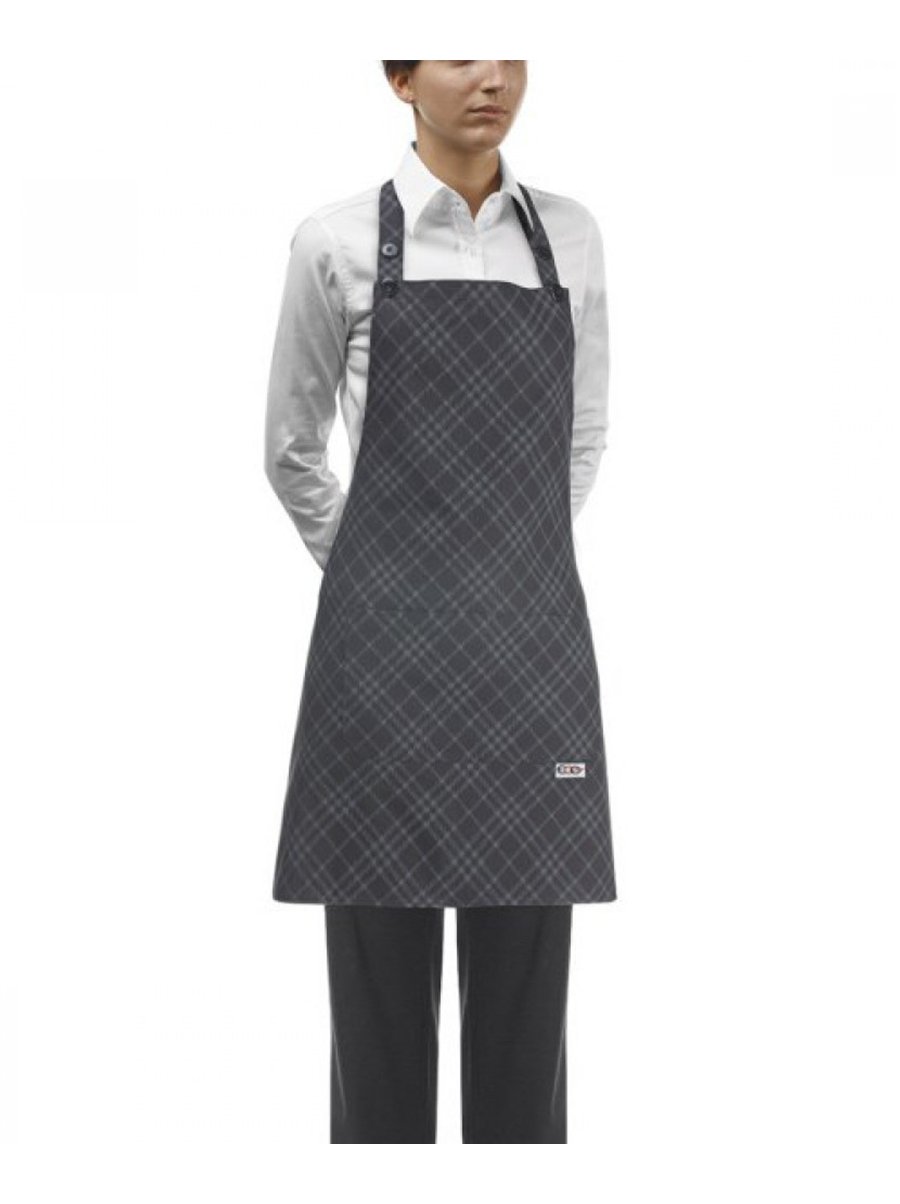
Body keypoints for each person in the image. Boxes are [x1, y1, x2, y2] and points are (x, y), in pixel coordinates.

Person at [264, 60, 617, 1144]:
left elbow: (581, 436)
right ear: (400, 77)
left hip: (529, 670)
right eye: (459, 51)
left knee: (526, 1048)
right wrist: (385, 578)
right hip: (380, 680)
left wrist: (501, 568)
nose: (492, 77)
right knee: (377, 1055)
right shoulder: (333, 242)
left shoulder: (571, 238)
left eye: (509, 51)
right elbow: (291, 451)